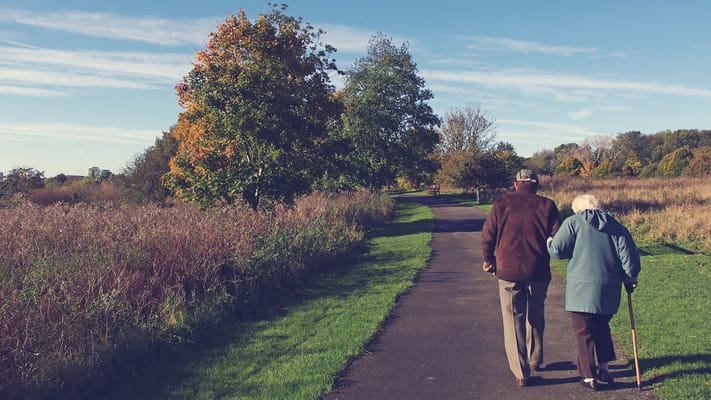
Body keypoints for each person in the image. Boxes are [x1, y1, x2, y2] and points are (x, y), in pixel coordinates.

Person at [547, 194, 641, 391]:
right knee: (601, 327)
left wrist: (549, 242)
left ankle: (589, 376)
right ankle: (604, 368)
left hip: (580, 289)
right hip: (608, 288)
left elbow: (557, 251)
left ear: (578, 209)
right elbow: (629, 258)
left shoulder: (573, 223)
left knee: (583, 331)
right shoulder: (616, 226)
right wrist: (630, 277)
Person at [481, 169, 561, 387]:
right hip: (538, 270)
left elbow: (488, 234)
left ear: (516, 184)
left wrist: (488, 260)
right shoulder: (548, 205)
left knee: (513, 319)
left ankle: (521, 371)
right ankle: (535, 358)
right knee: (536, 313)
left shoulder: (501, 203)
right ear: (536, 185)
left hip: (508, 270)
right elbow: (558, 237)